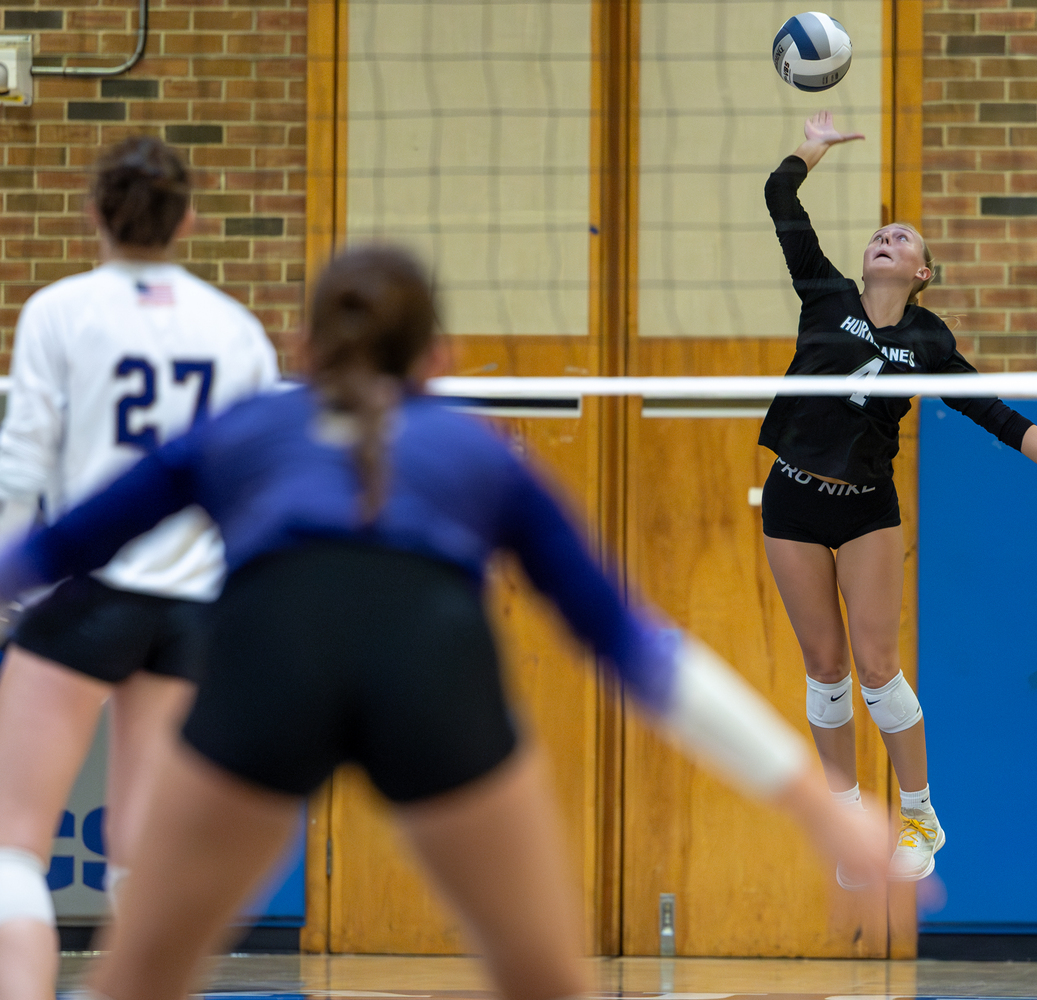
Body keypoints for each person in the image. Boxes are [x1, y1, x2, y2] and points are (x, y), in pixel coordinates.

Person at [0, 246, 888, 1000]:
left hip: (273, 644)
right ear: (438, 360)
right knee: (546, 982)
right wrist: (822, 810)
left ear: (302, 349)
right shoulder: (477, 451)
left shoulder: (244, 428)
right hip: (427, 651)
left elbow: (53, 550)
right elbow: (632, 645)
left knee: (137, 981)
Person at [759, 112, 1037, 886]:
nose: (886, 240)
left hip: (866, 505)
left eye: (904, 240)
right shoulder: (823, 295)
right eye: (882, 235)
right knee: (823, 667)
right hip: (792, 501)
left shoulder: (930, 343)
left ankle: (919, 814)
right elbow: (781, 197)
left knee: (875, 667)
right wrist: (814, 146)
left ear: (922, 274)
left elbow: (1001, 419)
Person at [0, 136, 279, 1000]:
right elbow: (259, 482)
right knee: (142, 860)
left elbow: (21, 465)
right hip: (191, 607)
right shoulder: (236, 329)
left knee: (12, 845)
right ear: (188, 220)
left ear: (93, 214)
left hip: (86, 595)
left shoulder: (60, 310)